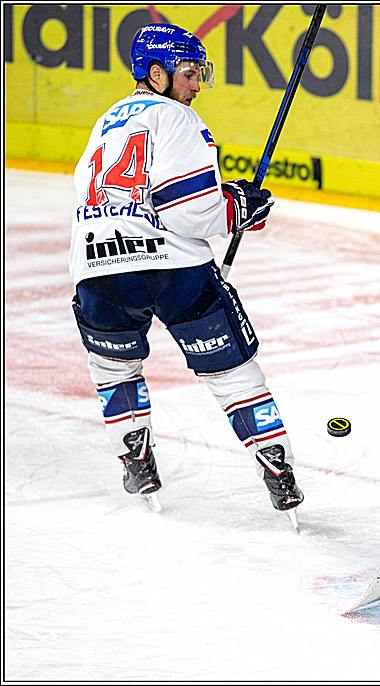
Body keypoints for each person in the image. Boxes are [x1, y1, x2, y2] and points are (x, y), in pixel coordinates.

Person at [69, 23, 303, 522]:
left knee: (113, 368)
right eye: (190, 73)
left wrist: (229, 202)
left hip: (95, 267)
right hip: (171, 269)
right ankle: (276, 466)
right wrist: (240, 207)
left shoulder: (105, 123)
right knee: (229, 369)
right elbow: (191, 212)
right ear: (157, 74)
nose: (196, 84)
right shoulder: (177, 119)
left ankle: (136, 460)